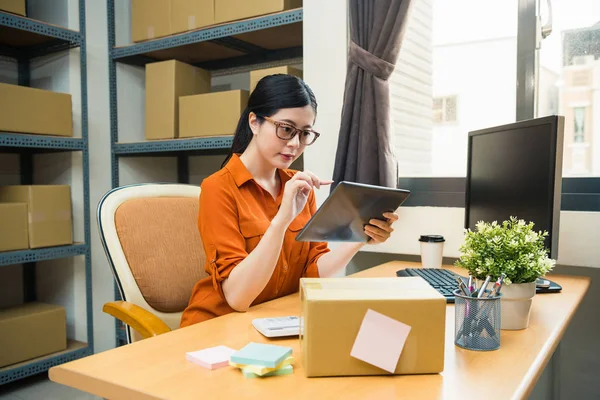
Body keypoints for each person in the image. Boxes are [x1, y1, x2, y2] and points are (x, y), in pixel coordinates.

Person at [180, 74, 399, 327]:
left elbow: (314, 273)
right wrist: (282, 219)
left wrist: (360, 235)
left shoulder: (298, 186)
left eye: (305, 133)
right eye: (286, 129)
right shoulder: (218, 188)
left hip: (275, 322)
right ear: (255, 122)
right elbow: (237, 298)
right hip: (217, 325)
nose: (295, 144)